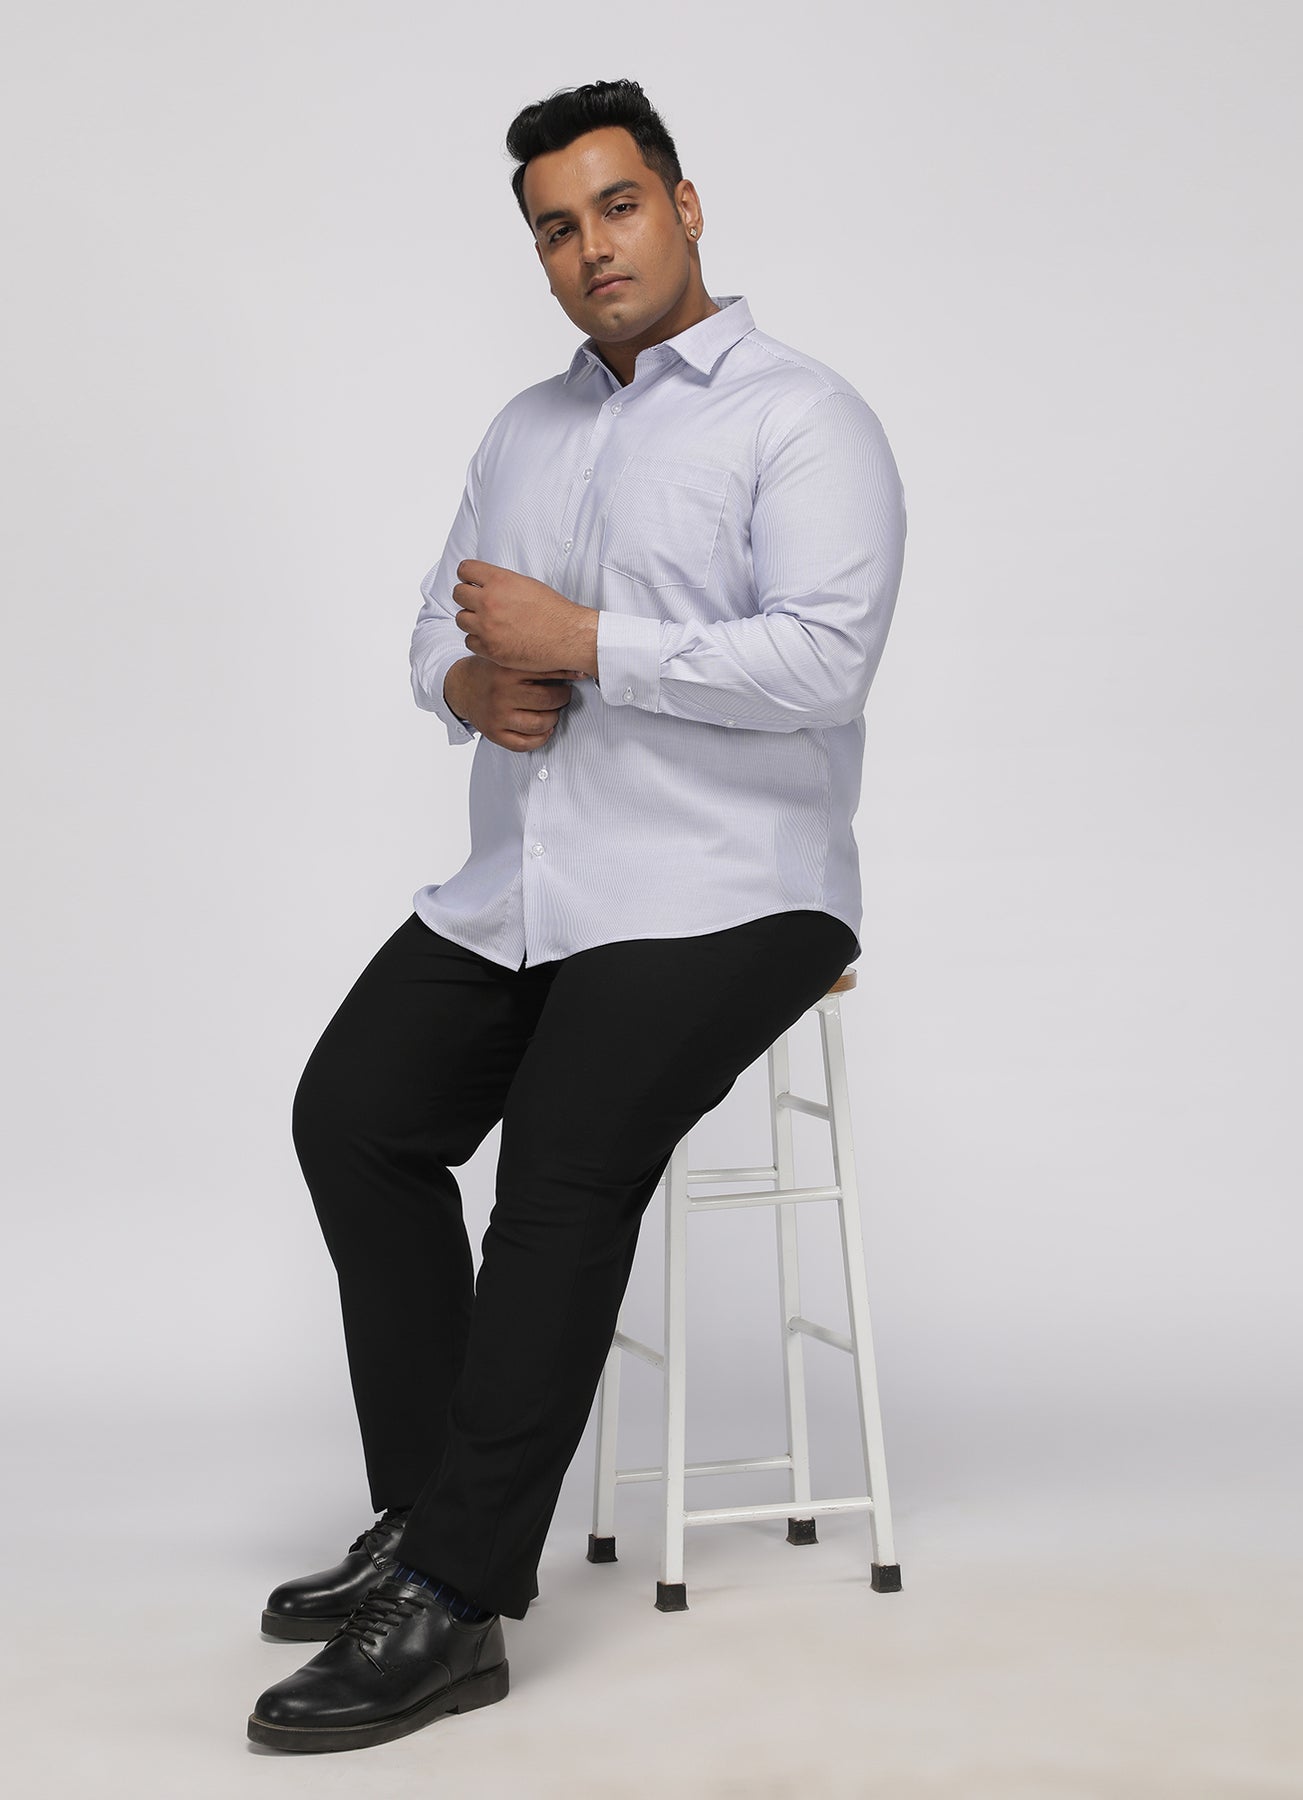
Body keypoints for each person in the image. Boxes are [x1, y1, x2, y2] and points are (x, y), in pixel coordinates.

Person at [247, 75, 907, 1754]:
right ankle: (424, 1513)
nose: (591, 246)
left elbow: (824, 659)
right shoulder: (522, 432)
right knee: (355, 1116)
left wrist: (585, 642)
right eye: (556, 227)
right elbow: (437, 623)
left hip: (733, 890)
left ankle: (454, 1603)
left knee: (557, 1161)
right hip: (534, 886)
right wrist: (470, 682)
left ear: (684, 206)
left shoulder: (802, 418)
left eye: (617, 206)